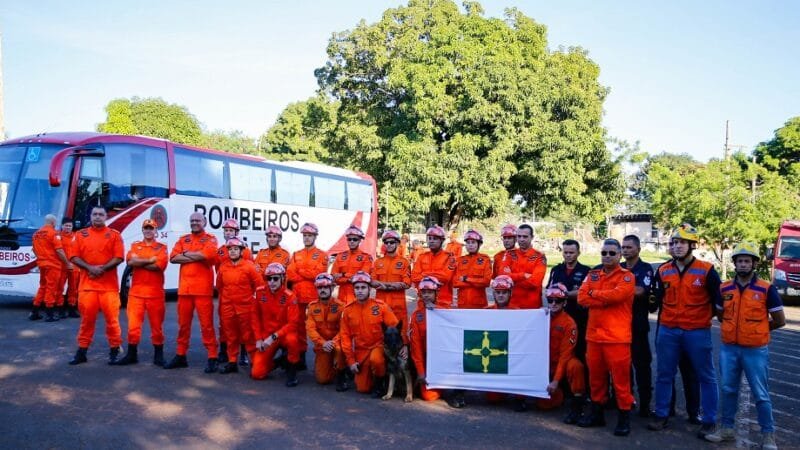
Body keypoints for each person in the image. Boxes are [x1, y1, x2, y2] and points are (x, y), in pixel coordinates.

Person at [705, 242, 785, 449]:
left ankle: (768, 435)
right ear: (734, 264)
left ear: (754, 264)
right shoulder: (725, 288)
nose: (742, 264)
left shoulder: (766, 289)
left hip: (755, 350)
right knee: (728, 389)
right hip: (729, 348)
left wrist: (758, 330)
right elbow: (721, 315)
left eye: (746, 261)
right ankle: (727, 430)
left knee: (761, 393)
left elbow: (779, 319)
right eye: (739, 261)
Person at [648, 223, 721, 441]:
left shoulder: (706, 270)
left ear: (692, 245)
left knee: (706, 376)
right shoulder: (663, 270)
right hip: (668, 330)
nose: (677, 246)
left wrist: (704, 319)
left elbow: (719, 302)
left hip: (697, 331)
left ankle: (708, 420)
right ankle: (661, 415)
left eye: (682, 242)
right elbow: (655, 300)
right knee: (663, 374)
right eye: (674, 242)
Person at [577, 238, 635, 437]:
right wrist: (602, 296)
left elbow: (618, 296)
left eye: (612, 253)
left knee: (620, 382)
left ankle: (623, 419)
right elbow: (581, 298)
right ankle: (597, 415)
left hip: (617, 339)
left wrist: (595, 294)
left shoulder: (627, 277)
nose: (607, 256)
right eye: (604, 253)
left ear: (620, 255)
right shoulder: (592, 274)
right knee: (596, 380)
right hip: (594, 338)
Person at [163, 212, 220, 373]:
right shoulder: (183, 239)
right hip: (185, 290)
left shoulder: (210, 239)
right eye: (192, 220)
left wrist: (186, 254)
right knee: (183, 326)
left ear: (205, 222)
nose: (194, 222)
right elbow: (173, 257)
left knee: (207, 326)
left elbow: (207, 254)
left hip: (203, 290)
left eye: (198, 220)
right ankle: (181, 355)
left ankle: (212, 356)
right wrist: (196, 256)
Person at [68, 206, 125, 365]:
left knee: (112, 321)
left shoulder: (114, 235)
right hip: (87, 287)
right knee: (86, 321)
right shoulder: (80, 235)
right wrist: (90, 268)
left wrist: (101, 269)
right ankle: (82, 352)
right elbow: (73, 256)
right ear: (90, 216)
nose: (98, 217)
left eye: (101, 214)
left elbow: (119, 257)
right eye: (95, 214)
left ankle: (114, 349)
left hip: (109, 288)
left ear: (106, 217)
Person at [113, 219, 168, 366]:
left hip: (155, 294)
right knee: (133, 326)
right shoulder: (135, 245)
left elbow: (159, 266)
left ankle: (159, 356)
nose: (148, 231)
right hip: (136, 293)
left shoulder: (162, 247)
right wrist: (150, 259)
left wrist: (140, 262)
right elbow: (130, 262)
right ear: (142, 230)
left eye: (151, 228)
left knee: (157, 327)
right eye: (146, 228)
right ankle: (132, 355)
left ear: (156, 231)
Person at [340, 271, 399, 395]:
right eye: (357, 288)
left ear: (369, 289)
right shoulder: (348, 310)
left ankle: (380, 384)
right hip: (361, 351)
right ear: (353, 290)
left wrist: (403, 346)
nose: (360, 291)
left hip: (378, 346)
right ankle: (368, 375)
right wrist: (350, 361)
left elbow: (396, 327)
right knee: (363, 389)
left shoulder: (380, 306)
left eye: (363, 287)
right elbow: (345, 337)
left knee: (376, 360)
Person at [540, 283, 587, 425]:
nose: (553, 304)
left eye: (558, 301)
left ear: (565, 302)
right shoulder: (540, 317)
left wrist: (555, 380)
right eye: (550, 300)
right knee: (543, 405)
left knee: (575, 366)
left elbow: (566, 355)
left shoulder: (569, 324)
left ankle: (577, 406)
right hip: (543, 363)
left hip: (561, 363)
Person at [620, 235, 656, 417]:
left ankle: (645, 404)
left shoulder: (645, 268)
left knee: (642, 366)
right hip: (619, 326)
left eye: (629, 247)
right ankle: (627, 400)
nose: (625, 250)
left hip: (638, 326)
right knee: (622, 367)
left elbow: (641, 290)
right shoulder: (618, 268)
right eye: (623, 247)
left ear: (638, 249)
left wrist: (615, 290)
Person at [216, 237, 264, 374]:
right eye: (230, 249)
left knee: (248, 336)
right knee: (230, 335)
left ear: (241, 251)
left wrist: (253, 302)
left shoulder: (249, 266)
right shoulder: (223, 267)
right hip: (227, 307)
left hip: (245, 307)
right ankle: (232, 362)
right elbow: (219, 286)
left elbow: (259, 286)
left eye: (235, 249)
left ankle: (255, 362)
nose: (232, 252)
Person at [251, 263, 303, 386]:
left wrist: (274, 336)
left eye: (275, 278)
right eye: (269, 278)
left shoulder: (290, 296)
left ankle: (292, 369)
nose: (272, 282)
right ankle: (279, 362)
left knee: (292, 340)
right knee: (257, 374)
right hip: (267, 335)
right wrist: (258, 339)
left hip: (283, 334)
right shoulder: (259, 293)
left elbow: (293, 324)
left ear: (282, 279)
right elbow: (254, 317)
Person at [286, 222, 328, 367]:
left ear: (315, 237)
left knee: (319, 327)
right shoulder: (296, 254)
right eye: (305, 236)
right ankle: (301, 357)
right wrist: (305, 275)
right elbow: (289, 274)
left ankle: (323, 357)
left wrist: (301, 272)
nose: (307, 238)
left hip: (314, 297)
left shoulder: (322, 255)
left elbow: (319, 273)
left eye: (309, 235)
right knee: (298, 328)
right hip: (297, 296)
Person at [547, 239, 591, 368]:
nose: (568, 255)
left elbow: (585, 292)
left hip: (579, 317)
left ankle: (580, 386)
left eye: (571, 252)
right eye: (565, 252)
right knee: (558, 350)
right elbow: (549, 290)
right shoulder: (556, 270)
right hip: (558, 317)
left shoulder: (586, 271)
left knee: (579, 352)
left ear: (578, 253)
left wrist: (565, 294)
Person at [215, 218, 253, 367]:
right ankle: (224, 352)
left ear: (237, 232)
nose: (228, 233)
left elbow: (250, 272)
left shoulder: (246, 250)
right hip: (225, 293)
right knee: (224, 324)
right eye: (226, 230)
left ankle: (243, 353)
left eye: (231, 230)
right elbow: (218, 271)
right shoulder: (220, 250)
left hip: (242, 294)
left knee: (244, 325)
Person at [305, 273, 348, 391]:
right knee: (323, 379)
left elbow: (344, 330)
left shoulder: (341, 307)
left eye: (325, 287)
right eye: (319, 288)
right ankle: (334, 366)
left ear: (332, 288)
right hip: (322, 346)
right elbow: (310, 329)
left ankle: (342, 374)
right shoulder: (312, 307)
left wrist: (333, 342)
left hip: (337, 344)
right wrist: (323, 343)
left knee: (340, 349)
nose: (322, 290)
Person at [371, 230, 411, 343]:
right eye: (386, 242)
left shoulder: (404, 262)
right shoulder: (378, 262)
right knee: (380, 335)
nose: (388, 245)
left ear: (398, 243)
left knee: (401, 337)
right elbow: (372, 281)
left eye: (392, 242)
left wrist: (385, 285)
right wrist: (392, 285)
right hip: (381, 304)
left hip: (398, 306)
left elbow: (407, 283)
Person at [409, 276, 444, 402]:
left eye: (430, 292)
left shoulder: (445, 313)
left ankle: (458, 391)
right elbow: (416, 346)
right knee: (429, 397)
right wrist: (421, 371)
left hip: (443, 359)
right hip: (426, 360)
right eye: (424, 293)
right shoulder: (416, 316)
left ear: (436, 293)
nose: (427, 295)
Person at [31, 214, 70, 322]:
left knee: (43, 286)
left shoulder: (36, 234)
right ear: (53, 222)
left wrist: (41, 258)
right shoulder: (53, 233)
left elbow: (34, 250)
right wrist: (67, 263)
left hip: (42, 264)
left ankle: (34, 312)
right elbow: (59, 250)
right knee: (51, 288)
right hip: (53, 265)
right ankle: (49, 314)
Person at [499, 224, 546, 309]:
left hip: (532, 305)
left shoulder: (539, 257)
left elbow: (535, 282)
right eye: (519, 236)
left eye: (525, 237)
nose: (521, 239)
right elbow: (502, 276)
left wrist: (511, 277)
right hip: (512, 304)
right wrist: (523, 275)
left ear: (532, 237)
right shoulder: (510, 254)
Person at [411, 225, 457, 308]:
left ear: (442, 240)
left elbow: (446, 277)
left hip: (443, 303)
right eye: (430, 238)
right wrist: (435, 275)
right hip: (423, 302)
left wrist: (424, 274)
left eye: (435, 239)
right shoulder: (422, 257)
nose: (431, 241)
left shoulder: (449, 257)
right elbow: (414, 277)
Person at [330, 225, 374, 304]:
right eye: (349, 239)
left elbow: (362, 278)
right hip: (341, 298)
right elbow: (333, 277)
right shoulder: (340, 256)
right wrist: (349, 278)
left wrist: (342, 275)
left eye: (355, 239)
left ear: (360, 240)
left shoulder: (366, 257)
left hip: (358, 297)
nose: (352, 241)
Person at [453, 229, 492, 308]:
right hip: (462, 304)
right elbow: (455, 282)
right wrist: (476, 282)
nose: (470, 245)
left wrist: (466, 279)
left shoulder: (485, 259)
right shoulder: (460, 260)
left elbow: (486, 282)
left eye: (473, 242)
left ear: (479, 244)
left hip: (479, 305)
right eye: (468, 242)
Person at [57, 217, 80, 319]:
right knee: (59, 288)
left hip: (74, 267)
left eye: (70, 226)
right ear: (62, 226)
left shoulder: (76, 236)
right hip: (62, 266)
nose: (68, 227)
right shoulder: (57, 236)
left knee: (73, 289)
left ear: (72, 227)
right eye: (66, 225)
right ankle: (60, 309)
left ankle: (72, 308)